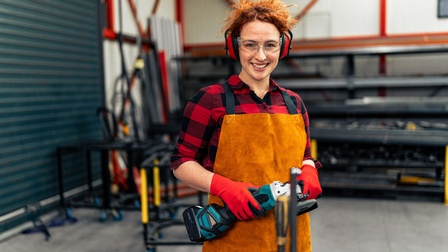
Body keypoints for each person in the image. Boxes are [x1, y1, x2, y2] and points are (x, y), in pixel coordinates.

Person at [170, 0, 322, 251]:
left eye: (270, 45)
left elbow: (304, 156)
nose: (260, 56)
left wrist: (309, 170)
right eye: (250, 45)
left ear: (283, 48)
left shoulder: (294, 103)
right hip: (234, 239)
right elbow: (181, 162)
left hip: (293, 238)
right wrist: (225, 188)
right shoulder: (210, 100)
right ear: (234, 46)